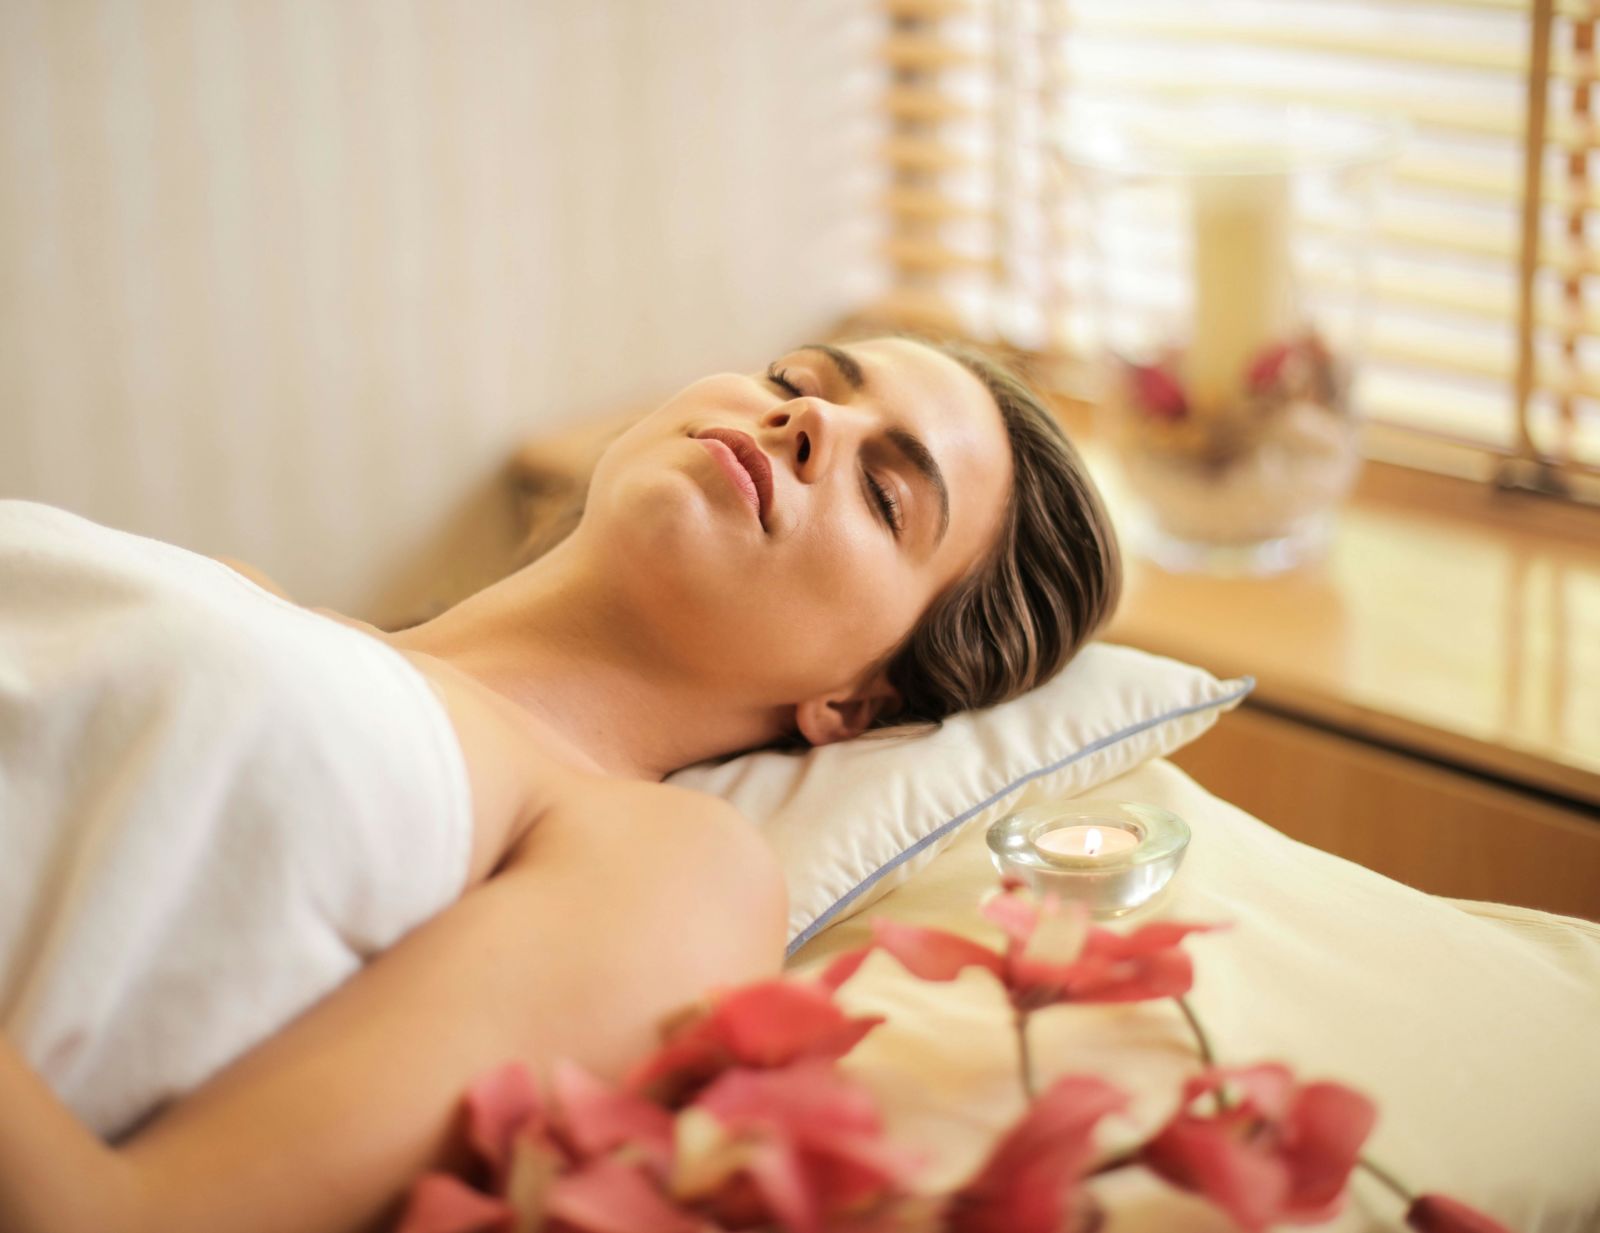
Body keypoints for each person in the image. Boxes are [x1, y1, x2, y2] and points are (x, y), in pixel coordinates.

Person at [0, 332, 1120, 1233]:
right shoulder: (236, 592)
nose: (810, 418)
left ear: (856, 705)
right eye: (797, 380)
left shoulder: (668, 864)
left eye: (885, 495)